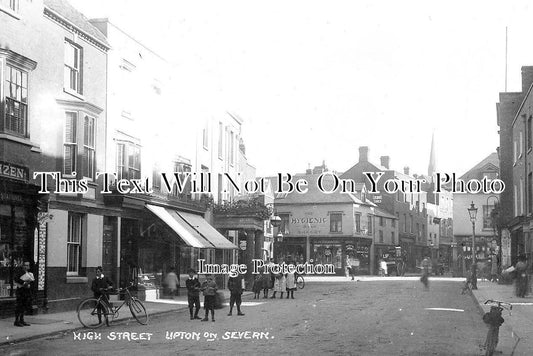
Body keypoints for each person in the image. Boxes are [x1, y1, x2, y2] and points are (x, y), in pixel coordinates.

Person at [14, 261, 34, 327]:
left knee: (24, 306)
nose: (26, 267)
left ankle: (22, 320)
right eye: (25, 265)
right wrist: (24, 283)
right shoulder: (20, 272)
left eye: (28, 265)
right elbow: (16, 279)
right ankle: (16, 321)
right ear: (23, 266)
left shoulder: (29, 273)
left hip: (26, 291)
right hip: (20, 291)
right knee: (19, 306)